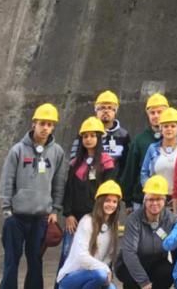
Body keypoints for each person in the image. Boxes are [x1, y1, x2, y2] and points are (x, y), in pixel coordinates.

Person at [0, 103, 67, 289]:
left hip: (41, 218)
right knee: (11, 261)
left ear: (53, 127)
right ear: (34, 124)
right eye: (42, 123)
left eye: (50, 124)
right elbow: (7, 179)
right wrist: (7, 209)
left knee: (36, 262)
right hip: (16, 217)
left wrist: (55, 210)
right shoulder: (18, 150)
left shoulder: (57, 152)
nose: (45, 128)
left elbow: (59, 183)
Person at [59, 117, 116, 282]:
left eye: (92, 135)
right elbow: (68, 190)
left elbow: (108, 193)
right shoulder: (75, 163)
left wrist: (101, 217)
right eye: (85, 136)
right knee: (68, 254)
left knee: (98, 254)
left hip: (97, 218)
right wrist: (68, 214)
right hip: (75, 220)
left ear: (99, 138)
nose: (89, 139)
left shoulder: (107, 162)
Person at [56, 180, 122, 289]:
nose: (111, 204)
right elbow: (81, 256)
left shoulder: (113, 227)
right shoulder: (87, 221)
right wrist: (105, 269)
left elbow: (108, 258)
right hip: (70, 278)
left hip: (94, 276)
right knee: (100, 275)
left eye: (114, 201)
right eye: (107, 200)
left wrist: (104, 270)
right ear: (100, 201)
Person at [116, 175, 177, 289]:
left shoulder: (172, 219)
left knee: (168, 273)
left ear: (165, 200)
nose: (154, 203)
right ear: (145, 200)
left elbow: (176, 249)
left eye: (158, 199)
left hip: (157, 262)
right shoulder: (133, 219)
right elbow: (129, 253)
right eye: (151, 199)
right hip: (130, 264)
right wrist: (144, 282)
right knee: (132, 282)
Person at [121, 93, 170, 209]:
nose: (156, 116)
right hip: (142, 200)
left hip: (169, 202)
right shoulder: (139, 141)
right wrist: (128, 202)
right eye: (152, 113)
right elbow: (130, 171)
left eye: (160, 112)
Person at [69, 91, 131, 178]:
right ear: (96, 111)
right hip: (87, 183)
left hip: (112, 184)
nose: (106, 111)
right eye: (102, 108)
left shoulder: (124, 135)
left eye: (110, 108)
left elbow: (127, 164)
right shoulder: (86, 131)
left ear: (115, 111)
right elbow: (74, 159)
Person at [140, 107, 177, 197]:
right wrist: (150, 192)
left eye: (173, 126)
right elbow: (144, 173)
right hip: (157, 198)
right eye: (165, 126)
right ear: (161, 129)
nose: (169, 129)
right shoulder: (152, 148)